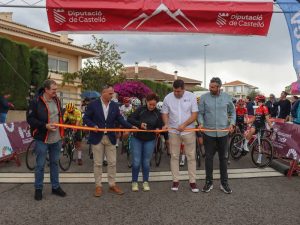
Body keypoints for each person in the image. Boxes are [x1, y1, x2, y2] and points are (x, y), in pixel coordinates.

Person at [83, 85, 137, 197]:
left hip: (111, 137)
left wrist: (131, 126)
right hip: (97, 137)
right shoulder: (93, 104)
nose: (112, 95)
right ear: (103, 93)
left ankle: (112, 185)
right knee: (98, 163)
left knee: (112, 163)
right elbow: (86, 118)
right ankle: (98, 186)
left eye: (113, 93)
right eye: (110, 93)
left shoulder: (114, 106)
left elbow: (120, 119)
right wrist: (93, 125)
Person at [26, 79, 66, 201]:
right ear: (46, 90)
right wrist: (45, 126)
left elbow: (59, 116)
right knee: (40, 165)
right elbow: (30, 119)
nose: (56, 91)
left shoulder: (57, 100)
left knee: (54, 163)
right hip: (42, 139)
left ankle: (55, 187)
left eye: (56, 89)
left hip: (56, 139)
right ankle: (38, 189)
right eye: (54, 89)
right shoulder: (35, 102)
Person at [198, 77, 235, 194]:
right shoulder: (204, 98)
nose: (210, 88)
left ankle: (224, 184)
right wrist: (201, 123)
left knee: (223, 159)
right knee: (208, 159)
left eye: (213, 87)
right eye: (210, 86)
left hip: (223, 133)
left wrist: (232, 124)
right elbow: (200, 113)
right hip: (208, 133)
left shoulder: (227, 97)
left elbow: (232, 112)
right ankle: (208, 183)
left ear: (219, 87)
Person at [161, 79, 199, 193]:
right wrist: (166, 124)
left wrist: (184, 124)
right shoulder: (168, 98)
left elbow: (195, 114)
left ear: (184, 89)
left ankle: (192, 182)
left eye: (178, 91)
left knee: (191, 156)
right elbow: (164, 113)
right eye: (174, 91)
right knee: (174, 156)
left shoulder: (191, 96)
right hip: (173, 132)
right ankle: (175, 181)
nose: (176, 93)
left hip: (188, 131)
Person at [127, 93, 162, 192]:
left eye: (154, 105)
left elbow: (160, 125)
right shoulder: (140, 110)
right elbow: (130, 119)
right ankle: (134, 181)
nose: (151, 107)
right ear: (146, 102)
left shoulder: (157, 113)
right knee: (136, 162)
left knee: (146, 162)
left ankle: (145, 181)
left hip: (150, 140)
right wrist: (139, 124)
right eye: (150, 104)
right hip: (137, 138)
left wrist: (158, 129)